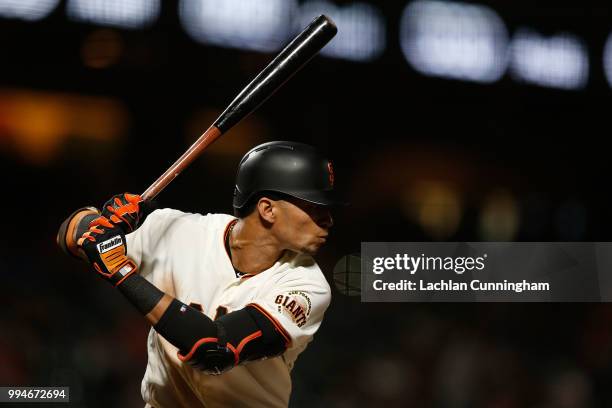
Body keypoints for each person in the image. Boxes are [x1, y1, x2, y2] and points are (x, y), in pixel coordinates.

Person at [71, 141, 342, 407]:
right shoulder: (179, 230)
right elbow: (72, 237)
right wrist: (99, 224)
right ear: (267, 209)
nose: (328, 219)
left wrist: (121, 272)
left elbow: (214, 350)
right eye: (314, 206)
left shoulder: (307, 284)